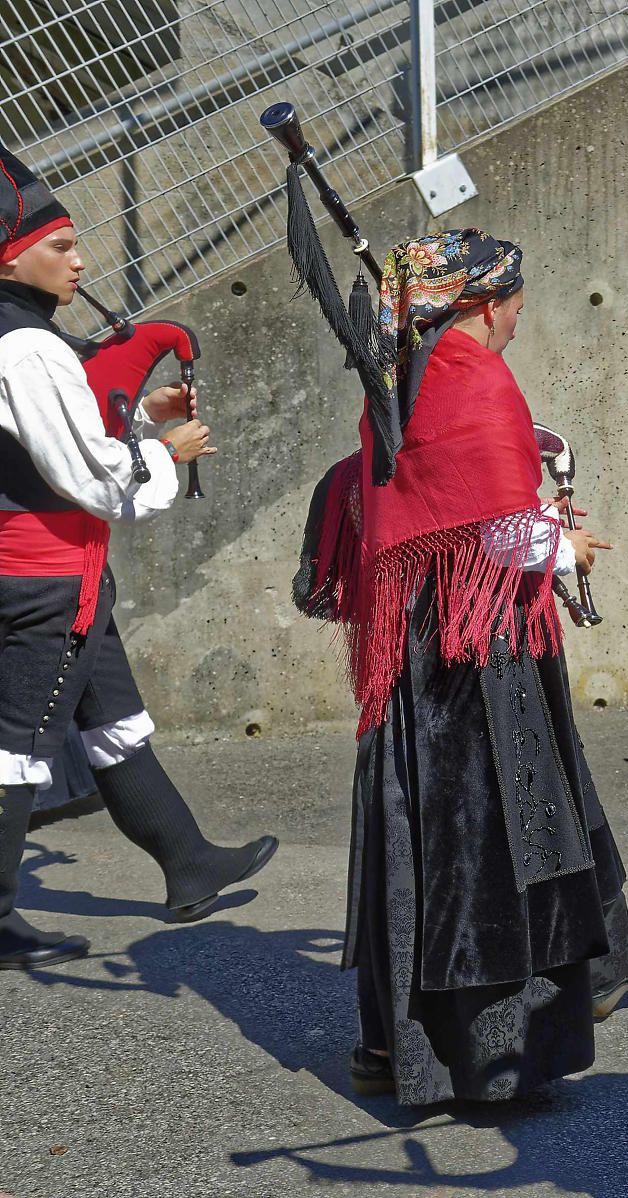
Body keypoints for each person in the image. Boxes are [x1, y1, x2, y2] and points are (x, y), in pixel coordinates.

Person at [292, 230, 628, 1104]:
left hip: (414, 644)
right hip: (478, 647)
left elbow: (430, 505)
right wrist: (565, 546)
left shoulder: (395, 371)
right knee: (496, 840)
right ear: (484, 303)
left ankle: (396, 1049)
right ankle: (494, 1063)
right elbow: (498, 527)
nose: (512, 332)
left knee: (419, 843)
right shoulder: (472, 373)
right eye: (514, 315)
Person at [0, 145, 277, 970]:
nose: (79, 260)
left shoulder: (22, 338)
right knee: (15, 747)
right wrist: (165, 447)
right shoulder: (27, 347)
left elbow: (53, 442)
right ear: (10, 253)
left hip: (60, 574)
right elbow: (89, 477)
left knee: (111, 718)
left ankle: (187, 861)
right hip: (46, 581)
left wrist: (138, 414)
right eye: (60, 246)